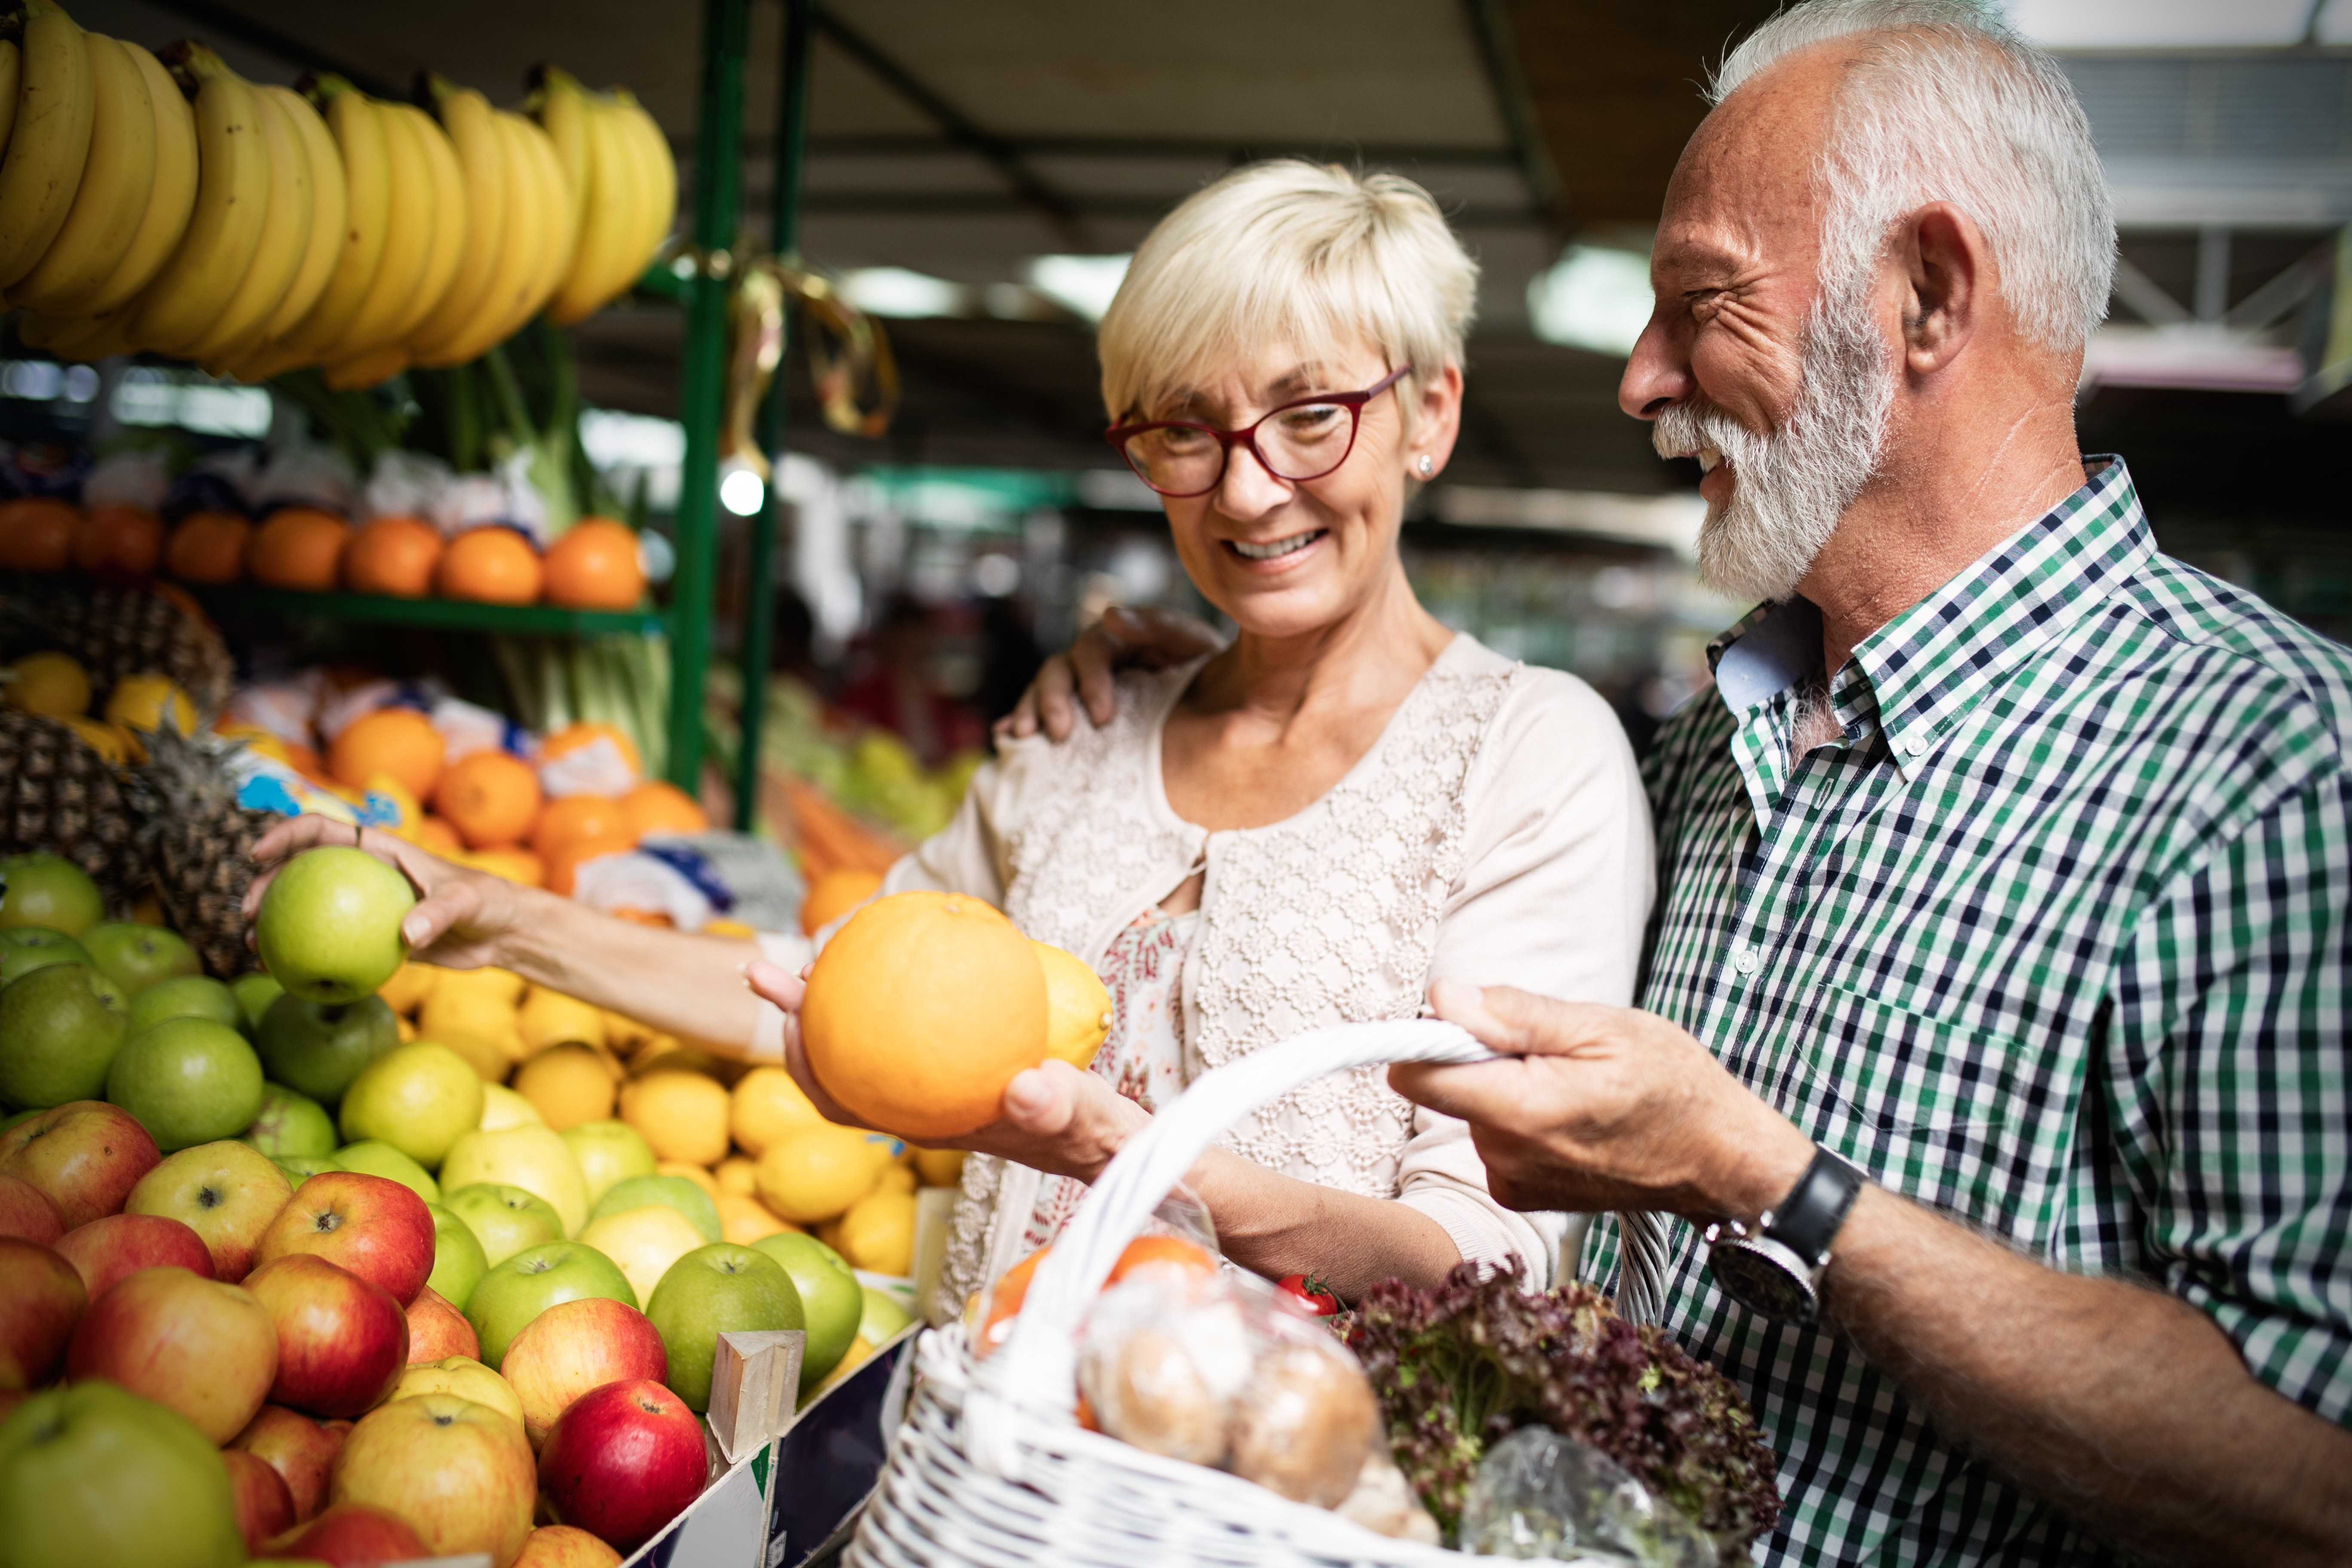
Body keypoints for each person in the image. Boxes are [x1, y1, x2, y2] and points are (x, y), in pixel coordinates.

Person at [1005, 3, 2352, 1563]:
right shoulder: (1726, 736)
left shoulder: (2266, 762)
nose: (1643, 381)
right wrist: (1197, 669)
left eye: (1700, 304)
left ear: (1924, 295)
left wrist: (1762, 1179)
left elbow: (2316, 1486)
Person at [756, 160, 1652, 1321]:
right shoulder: (1087, 728)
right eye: (1187, 428)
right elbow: (832, 980)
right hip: (978, 1472)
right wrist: (505, 920)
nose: (1247, 491)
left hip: (1280, 1485)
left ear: (1430, 414)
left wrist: (1128, 1160)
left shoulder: (1529, 754)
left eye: (1312, 416)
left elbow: (1486, 1259)